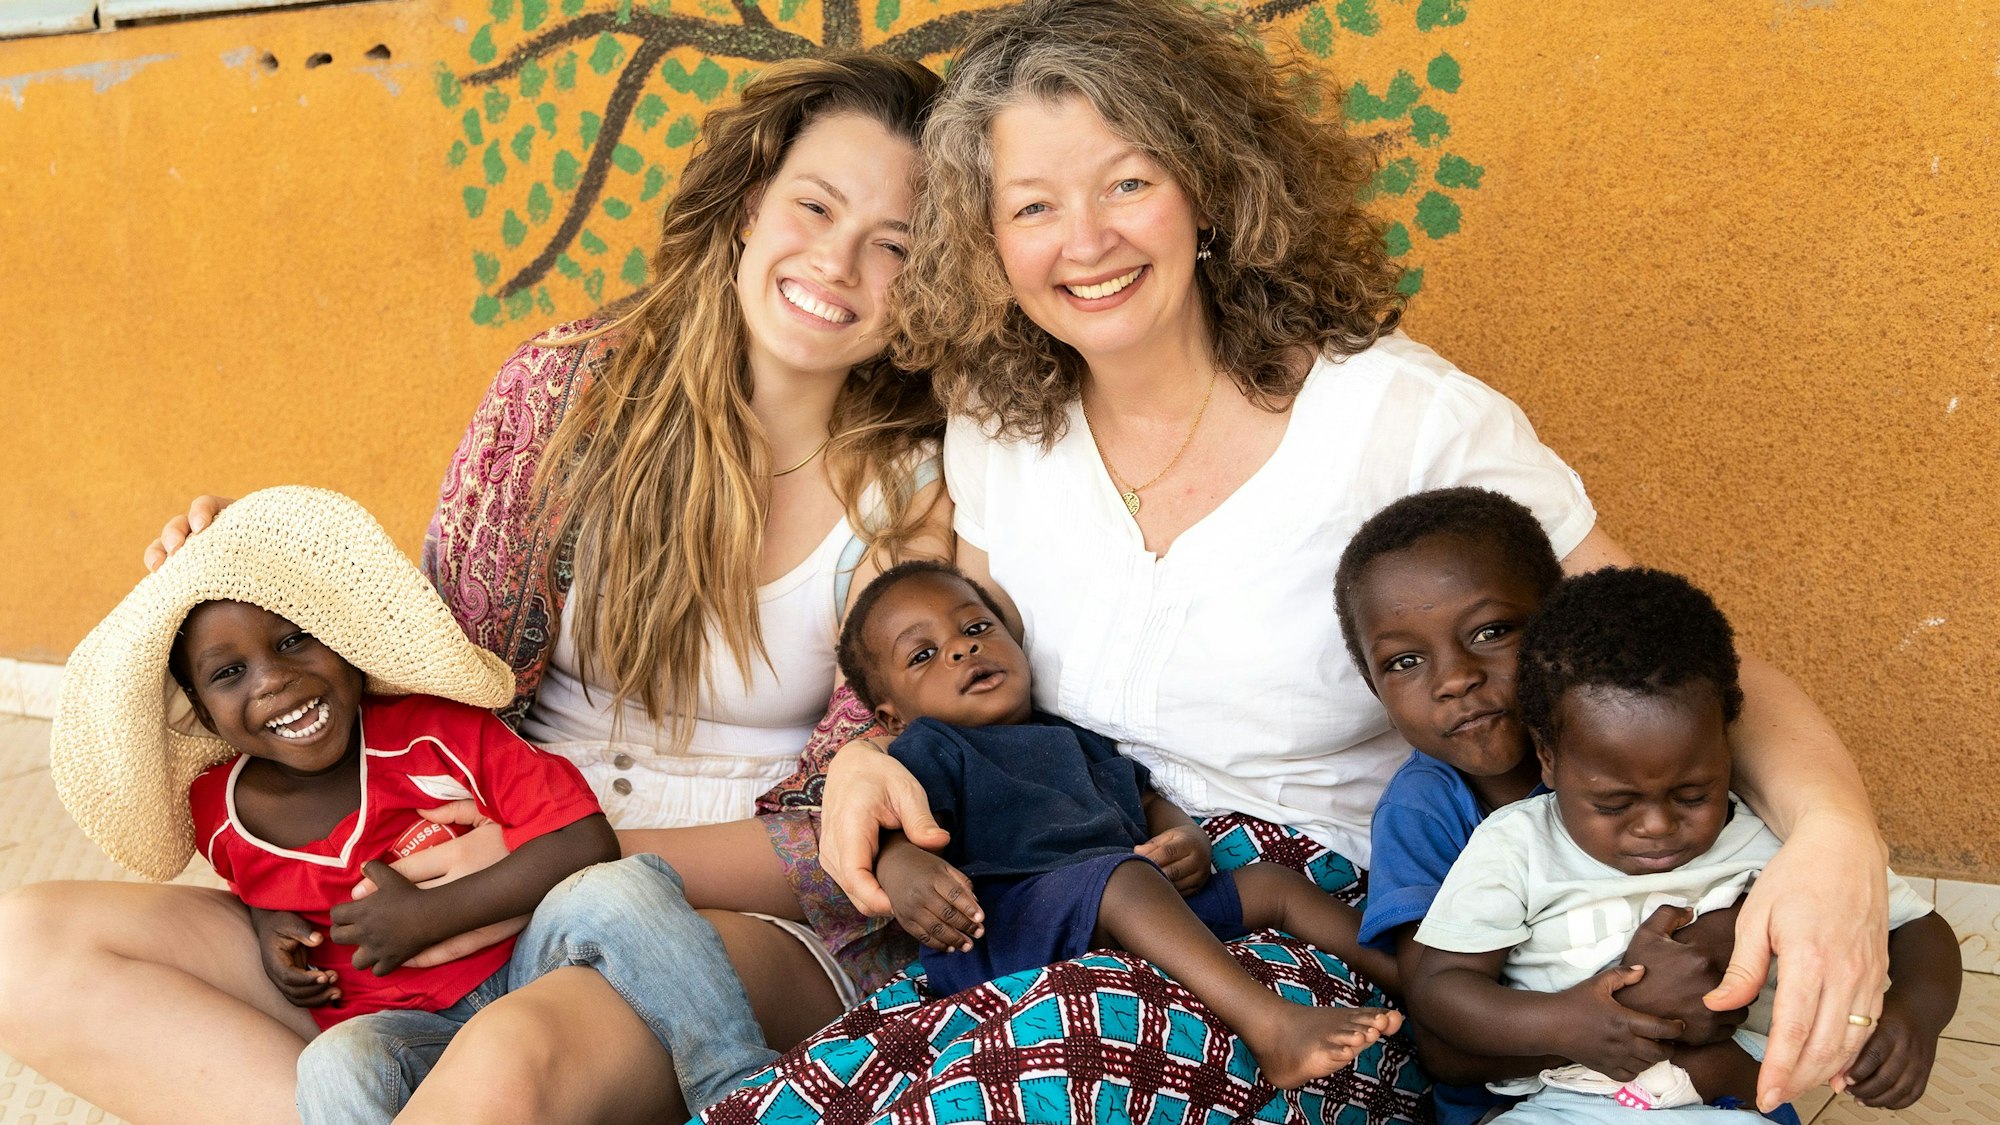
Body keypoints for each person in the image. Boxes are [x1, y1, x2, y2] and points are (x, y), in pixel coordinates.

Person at [789, 0, 1903, 1121]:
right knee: (835, 1093)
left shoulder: (1398, 419)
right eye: (1031, 206)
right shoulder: (1001, 423)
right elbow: (932, 647)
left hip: (1320, 928)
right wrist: (862, 759)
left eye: (1127, 183)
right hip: (1071, 888)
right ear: (986, 242)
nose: (1084, 242)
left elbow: (1666, 661)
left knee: (1043, 1085)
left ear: (1210, 187)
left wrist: (1835, 841)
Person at [0, 54, 945, 1125]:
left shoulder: (922, 481)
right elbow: (427, 652)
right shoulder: (565, 391)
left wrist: (539, 860)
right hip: (466, 848)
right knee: (26, 952)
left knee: (503, 1061)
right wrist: (250, 585)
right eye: (813, 206)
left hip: (731, 915)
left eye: (895, 246)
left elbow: (843, 840)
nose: (836, 262)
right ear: (745, 206)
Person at [50, 485, 776, 1122]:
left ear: (346, 643)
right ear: (206, 716)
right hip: (404, 1031)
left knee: (628, 887)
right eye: (231, 672)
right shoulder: (218, 810)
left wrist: (432, 914)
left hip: (537, 965)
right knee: (331, 1064)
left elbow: (586, 839)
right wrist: (276, 933)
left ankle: (739, 1089)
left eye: (297, 638)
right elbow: (258, 884)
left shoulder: (435, 731)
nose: (272, 680)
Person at [1408, 566, 1960, 1121]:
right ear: (1548, 759)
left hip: (1727, 1104)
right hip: (1565, 1104)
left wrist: (1913, 1015)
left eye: (1693, 794)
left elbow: (1918, 927)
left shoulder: (1776, 841)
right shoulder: (1519, 844)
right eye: (1615, 804)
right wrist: (1567, 1022)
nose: (1656, 825)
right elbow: (1442, 987)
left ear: (1728, 746)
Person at [838, 560, 1402, 1087]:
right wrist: (903, 866)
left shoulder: (1070, 733)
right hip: (1004, 927)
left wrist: (1186, 837)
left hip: (1126, 905)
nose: (962, 649)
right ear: (891, 714)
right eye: (923, 655)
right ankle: (1273, 1028)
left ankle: (1421, 989)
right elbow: (895, 826)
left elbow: (1147, 800)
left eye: (976, 627)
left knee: (1272, 886)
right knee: (1122, 881)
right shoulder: (931, 746)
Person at [1337, 488, 1767, 1123]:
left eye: (1492, 631)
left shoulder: (1673, 757)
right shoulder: (1427, 812)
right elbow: (1445, 1042)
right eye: (1403, 661)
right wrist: (1611, 1017)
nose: (1455, 679)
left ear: (1559, 625)